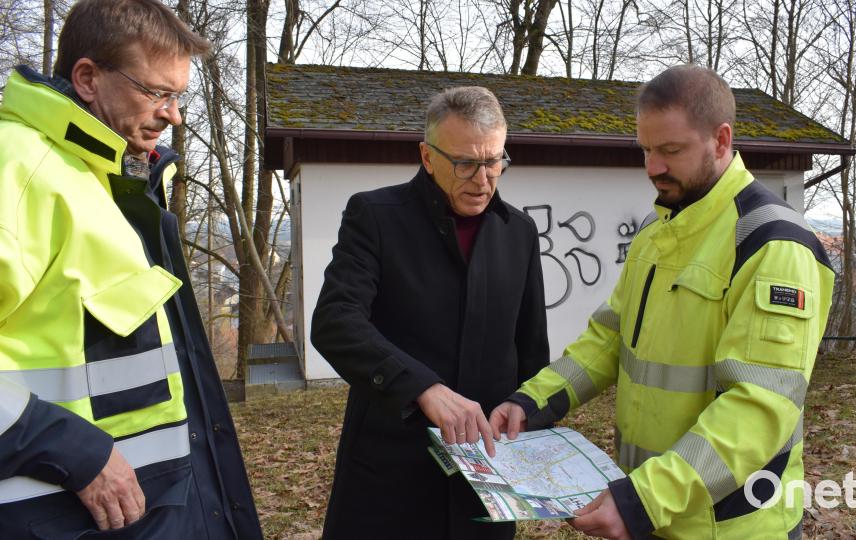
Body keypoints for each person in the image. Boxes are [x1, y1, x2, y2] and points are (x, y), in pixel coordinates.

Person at [490, 65, 835, 539]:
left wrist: (643, 500)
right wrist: (534, 401)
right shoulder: (656, 233)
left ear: (721, 140)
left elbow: (757, 410)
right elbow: (608, 339)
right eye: (647, 149)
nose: (653, 167)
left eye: (670, 150)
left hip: (731, 526)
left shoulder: (773, 245)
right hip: (656, 514)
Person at [0, 0, 262, 537]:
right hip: (56, 513)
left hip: (153, 509)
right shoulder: (20, 169)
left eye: (178, 96)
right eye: (158, 93)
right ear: (89, 78)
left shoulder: (116, 179)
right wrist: (72, 452)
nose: (175, 115)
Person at [311, 86, 549, 539]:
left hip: (486, 479)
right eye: (466, 164)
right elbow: (335, 321)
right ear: (427, 156)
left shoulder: (519, 232)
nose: (482, 180)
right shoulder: (375, 216)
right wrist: (422, 387)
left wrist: (531, 423)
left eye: (495, 161)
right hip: (389, 479)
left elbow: (531, 349)